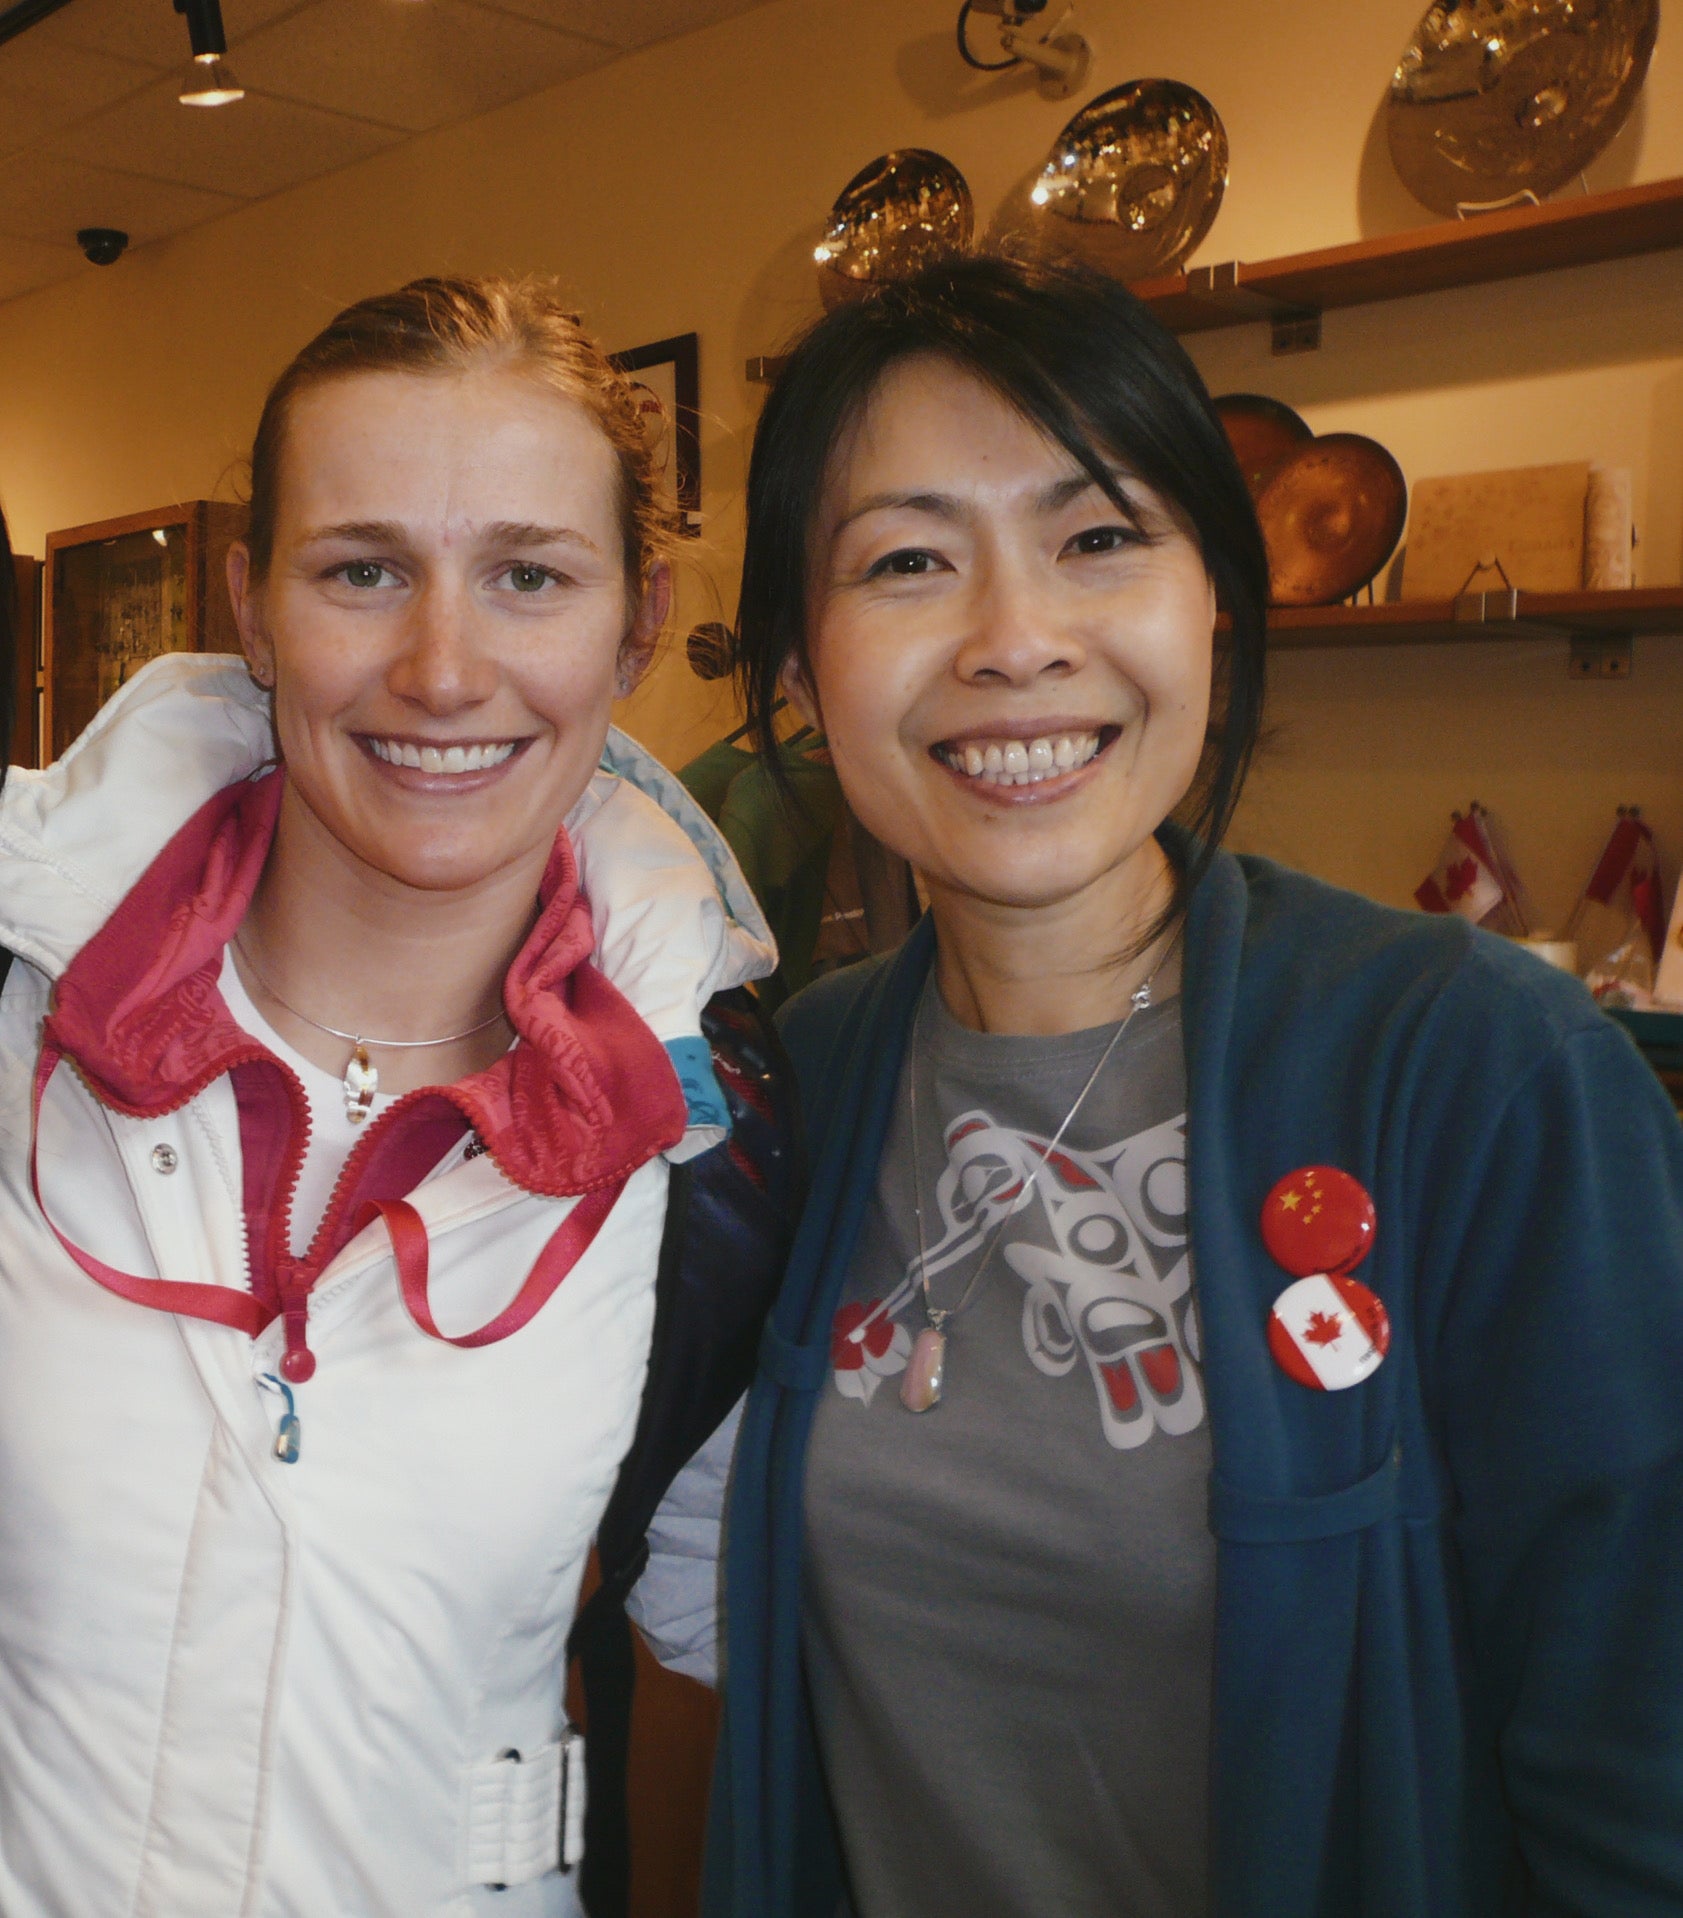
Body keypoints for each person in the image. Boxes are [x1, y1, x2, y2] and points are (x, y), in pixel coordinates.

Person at [705, 256, 1683, 1917]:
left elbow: (1642, 1773)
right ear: (800, 662)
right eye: (908, 560)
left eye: (1099, 538)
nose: (1016, 640)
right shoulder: (799, 1078)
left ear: (1216, 598)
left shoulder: (1480, 1072)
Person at [0, 277, 787, 1918]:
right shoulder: (23, 1004)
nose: (441, 669)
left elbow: (698, 1650)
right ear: (253, 605)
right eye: (362, 571)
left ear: (636, 625)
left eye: (528, 577)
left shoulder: (710, 1141)